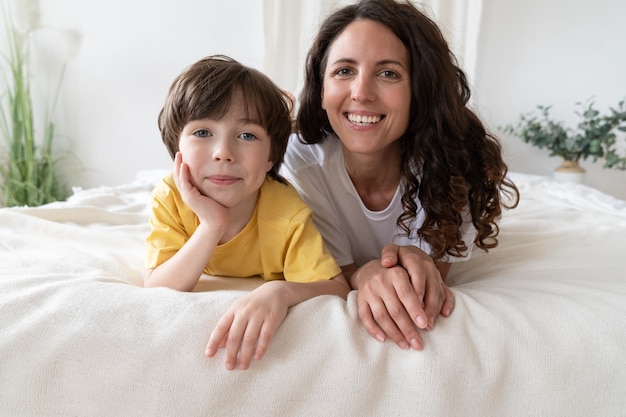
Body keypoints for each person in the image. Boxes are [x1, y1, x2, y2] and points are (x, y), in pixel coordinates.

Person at [280, 0, 519, 351]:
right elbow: (332, 267)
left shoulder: (457, 163)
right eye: (344, 71)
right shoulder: (299, 161)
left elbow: (427, 276)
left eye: (388, 73)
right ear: (321, 90)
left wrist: (424, 265)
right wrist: (363, 274)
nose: (361, 92)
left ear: (419, 91)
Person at [144, 55, 350, 370]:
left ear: (270, 158)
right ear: (177, 148)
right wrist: (212, 225)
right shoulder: (170, 197)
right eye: (202, 133)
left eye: (247, 136)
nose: (223, 153)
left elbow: (335, 287)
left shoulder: (286, 214)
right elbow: (158, 288)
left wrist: (279, 291)